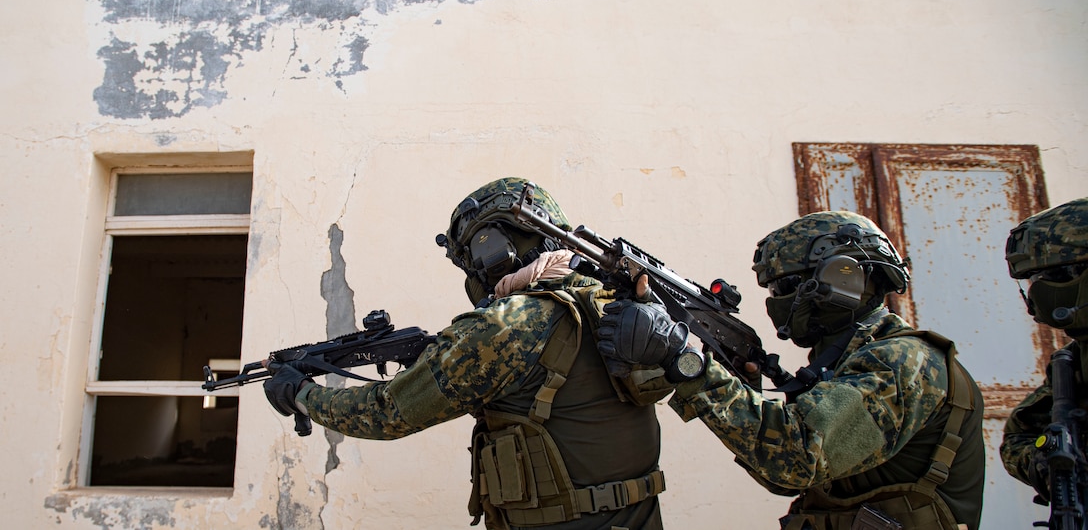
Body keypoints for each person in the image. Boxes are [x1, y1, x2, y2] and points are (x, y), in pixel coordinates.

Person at [262, 177, 670, 530]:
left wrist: (301, 395)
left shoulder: (507, 325)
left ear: (490, 250)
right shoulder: (616, 302)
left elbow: (386, 413)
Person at [597, 210, 986, 529]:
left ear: (839, 279)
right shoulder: (844, 361)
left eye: (784, 287)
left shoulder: (902, 361)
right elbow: (777, 474)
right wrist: (730, 386)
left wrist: (687, 362)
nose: (775, 303)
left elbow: (796, 459)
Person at [1000, 197, 1088, 505]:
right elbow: (1018, 438)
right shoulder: (1075, 359)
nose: (1040, 289)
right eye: (1034, 279)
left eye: (1056, 275)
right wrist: (1049, 463)